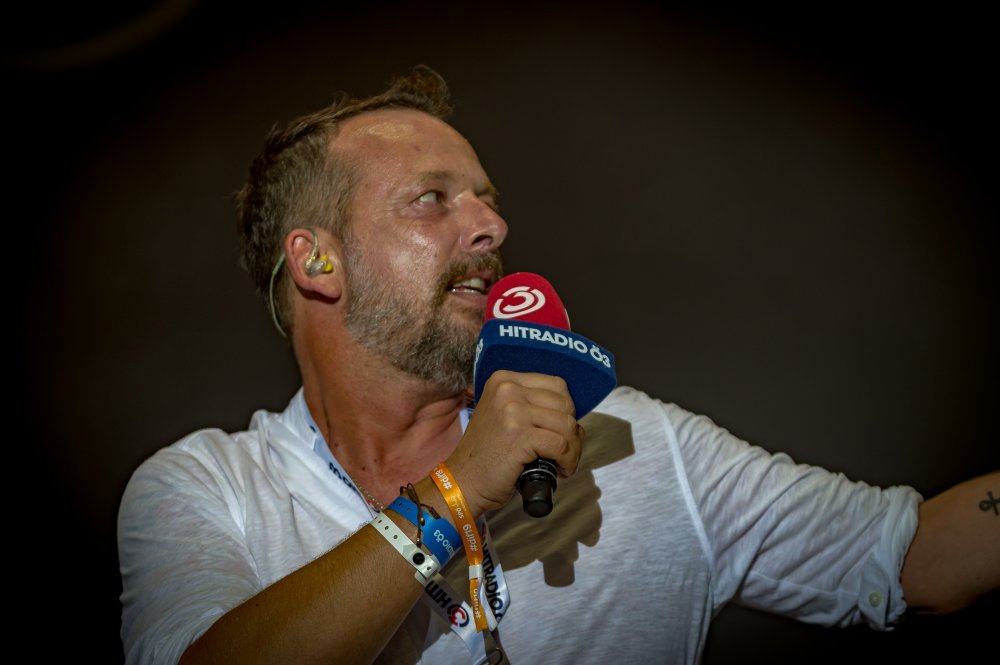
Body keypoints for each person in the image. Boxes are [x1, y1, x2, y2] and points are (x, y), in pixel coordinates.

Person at [117, 65, 998, 665]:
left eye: (486, 201)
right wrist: (455, 493)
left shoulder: (629, 442)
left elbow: (917, 556)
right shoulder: (207, 488)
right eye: (432, 200)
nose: (491, 227)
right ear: (318, 262)